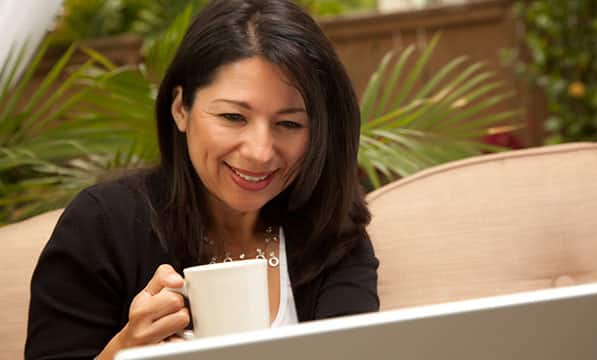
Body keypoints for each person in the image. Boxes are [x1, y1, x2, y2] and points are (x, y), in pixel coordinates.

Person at [25, 0, 379, 359]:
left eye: (289, 124)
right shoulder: (102, 225)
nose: (260, 151)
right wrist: (126, 349)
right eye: (233, 116)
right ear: (181, 108)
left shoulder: (331, 230)